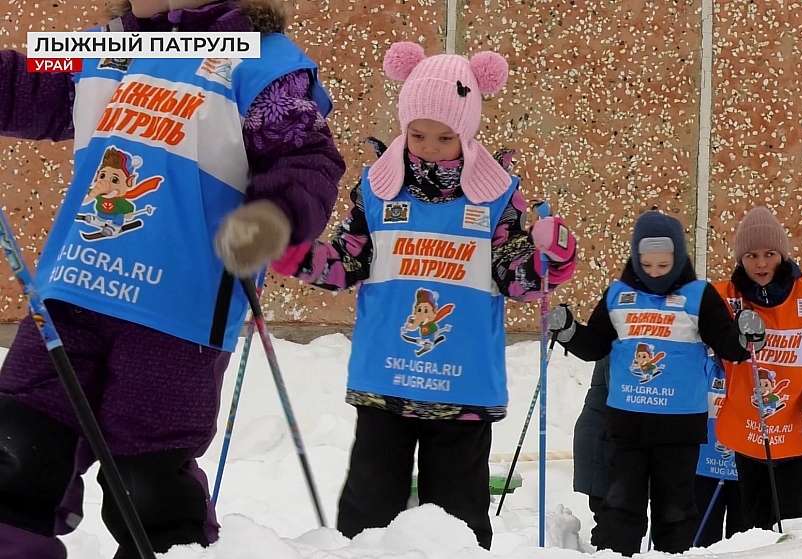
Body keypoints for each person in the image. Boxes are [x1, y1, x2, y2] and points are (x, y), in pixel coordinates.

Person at [0, 0, 345, 557]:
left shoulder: (263, 64)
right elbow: (23, 87)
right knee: (17, 441)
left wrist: (273, 216)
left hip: (176, 310)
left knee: (146, 481)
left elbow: (307, 159)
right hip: (73, 288)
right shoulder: (106, 47)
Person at [270, 41, 577, 549]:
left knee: (455, 526)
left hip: (464, 390)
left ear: (468, 130)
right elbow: (349, 264)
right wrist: (291, 253)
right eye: (417, 134)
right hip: (385, 379)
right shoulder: (377, 189)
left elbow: (518, 277)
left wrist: (553, 258)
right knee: (366, 517)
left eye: (444, 136)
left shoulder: (497, 195)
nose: (429, 146)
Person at [547, 210, 764, 557]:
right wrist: (569, 331)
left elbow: (729, 347)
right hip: (627, 426)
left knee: (675, 513)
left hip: (679, 429)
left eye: (663, 265)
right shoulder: (619, 296)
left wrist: (748, 337)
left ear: (678, 259)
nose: (654, 274)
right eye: (646, 265)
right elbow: (596, 346)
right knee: (620, 509)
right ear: (636, 258)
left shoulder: (698, 296)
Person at [712, 206, 802, 531]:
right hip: (750, 429)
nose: (761, 263)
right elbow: (713, 355)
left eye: (769, 253)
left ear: (782, 254)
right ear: (741, 259)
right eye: (752, 255)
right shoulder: (727, 300)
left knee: (795, 521)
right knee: (754, 524)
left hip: (798, 426)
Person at [692, 352, 748, 547]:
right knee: (703, 541)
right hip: (704, 468)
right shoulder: (706, 365)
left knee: (744, 543)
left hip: (746, 469)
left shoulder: (754, 371)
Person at [572, 355, 612, 548]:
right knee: (610, 517)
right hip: (602, 437)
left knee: (611, 516)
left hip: (605, 433)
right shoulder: (617, 346)